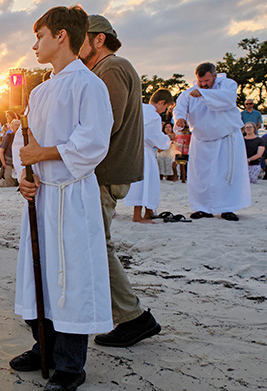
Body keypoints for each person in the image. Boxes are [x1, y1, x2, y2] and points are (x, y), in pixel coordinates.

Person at [11, 6, 114, 391]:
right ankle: (45, 346)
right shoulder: (39, 90)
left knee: (71, 277)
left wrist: (44, 156)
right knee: (41, 275)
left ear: (61, 37)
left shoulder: (89, 85)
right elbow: (28, 145)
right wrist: (26, 176)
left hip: (71, 195)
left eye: (40, 36)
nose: (34, 44)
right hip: (42, 196)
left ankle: (71, 364)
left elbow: (93, 143)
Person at [78, 14, 161, 347]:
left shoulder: (112, 68)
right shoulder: (104, 69)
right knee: (95, 244)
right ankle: (127, 314)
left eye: (80, 37)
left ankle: (134, 317)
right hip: (106, 171)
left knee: (97, 245)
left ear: (99, 39)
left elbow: (104, 125)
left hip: (106, 172)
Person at [173, 62, 252, 221]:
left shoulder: (228, 85)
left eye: (206, 81)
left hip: (226, 138)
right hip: (201, 140)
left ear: (215, 76)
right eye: (200, 81)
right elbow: (179, 107)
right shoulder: (190, 92)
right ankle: (202, 208)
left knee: (226, 175)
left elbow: (228, 99)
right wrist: (180, 118)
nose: (203, 84)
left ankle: (227, 209)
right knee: (201, 176)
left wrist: (204, 95)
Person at [124, 88, 173, 223]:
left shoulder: (137, 108)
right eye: (166, 107)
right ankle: (138, 215)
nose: (164, 111)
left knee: (142, 181)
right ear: (161, 102)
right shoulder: (153, 116)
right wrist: (167, 140)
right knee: (146, 181)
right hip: (144, 152)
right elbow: (154, 137)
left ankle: (148, 212)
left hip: (132, 150)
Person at [0, 119, 21, 187]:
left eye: (19, 125)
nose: (18, 127)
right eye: (16, 125)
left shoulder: (23, 137)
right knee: (8, 181)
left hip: (20, 162)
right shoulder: (8, 136)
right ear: (11, 127)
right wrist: (4, 164)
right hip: (9, 162)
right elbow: (1, 151)